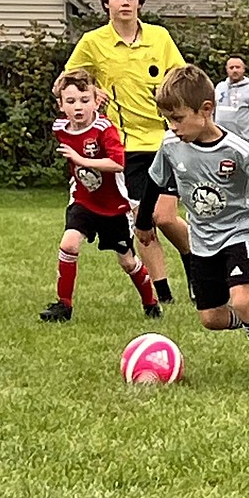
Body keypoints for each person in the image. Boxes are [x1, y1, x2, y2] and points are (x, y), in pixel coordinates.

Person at [134, 64, 249, 381]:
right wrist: (144, 222)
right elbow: (155, 182)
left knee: (241, 300)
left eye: (179, 118)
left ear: (206, 109)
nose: (172, 127)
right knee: (211, 318)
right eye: (168, 120)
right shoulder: (171, 147)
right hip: (202, 241)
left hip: (240, 234)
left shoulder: (238, 151)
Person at [64, 0, 194, 305]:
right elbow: (63, 84)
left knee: (165, 217)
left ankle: (195, 263)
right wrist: (92, 89)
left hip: (165, 141)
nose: (125, 3)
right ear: (106, 3)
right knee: (142, 220)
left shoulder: (160, 38)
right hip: (123, 147)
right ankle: (163, 295)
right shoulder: (93, 42)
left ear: (140, 1)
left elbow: (181, 81)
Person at [40, 68, 162, 323]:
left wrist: (81, 159)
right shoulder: (60, 127)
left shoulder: (105, 129)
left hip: (115, 207)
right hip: (84, 200)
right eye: (71, 101)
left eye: (85, 100)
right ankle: (64, 306)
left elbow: (118, 164)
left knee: (128, 262)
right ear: (61, 105)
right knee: (68, 244)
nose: (78, 107)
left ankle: (151, 302)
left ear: (97, 101)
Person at [214, 55, 249, 148]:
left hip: (242, 142)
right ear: (227, 69)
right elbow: (211, 112)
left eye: (238, 67)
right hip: (219, 141)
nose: (235, 70)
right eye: (231, 67)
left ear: (243, 69)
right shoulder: (220, 87)